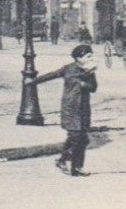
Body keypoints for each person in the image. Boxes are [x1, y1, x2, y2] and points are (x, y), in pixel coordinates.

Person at [36, 44, 98, 177]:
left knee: (82, 139)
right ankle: (63, 160)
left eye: (91, 56)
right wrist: (33, 81)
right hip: (70, 108)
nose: (91, 59)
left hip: (83, 109)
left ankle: (76, 168)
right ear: (79, 58)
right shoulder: (69, 69)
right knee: (75, 136)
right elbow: (52, 75)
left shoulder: (90, 71)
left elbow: (93, 88)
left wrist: (85, 83)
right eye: (88, 56)